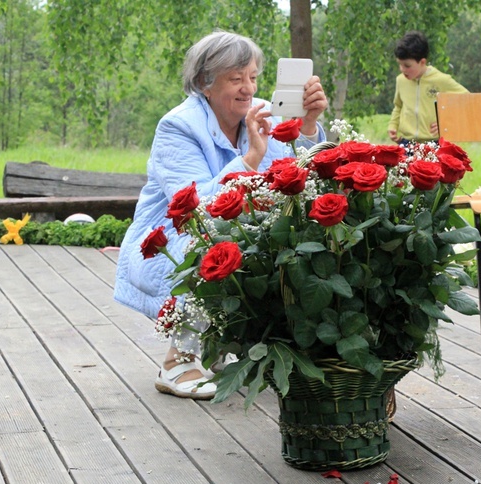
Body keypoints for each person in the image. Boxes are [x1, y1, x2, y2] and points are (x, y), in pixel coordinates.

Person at [113, 30, 328, 399]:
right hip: (170, 234)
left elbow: (295, 175)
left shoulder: (262, 113)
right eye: (235, 78)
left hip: (234, 222)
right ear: (204, 84)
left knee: (295, 229)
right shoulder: (177, 126)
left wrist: (308, 124)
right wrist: (250, 160)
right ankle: (176, 360)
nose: (248, 88)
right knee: (214, 242)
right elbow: (194, 206)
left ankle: (224, 348)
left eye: (253, 77)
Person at [387, 30, 467, 145]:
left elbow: (467, 100)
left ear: (422, 62)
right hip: (406, 143)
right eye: (399, 64)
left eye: (407, 65)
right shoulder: (400, 80)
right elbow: (398, 106)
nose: (402, 69)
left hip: (434, 144)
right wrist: (393, 125)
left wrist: (446, 123)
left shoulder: (441, 80)